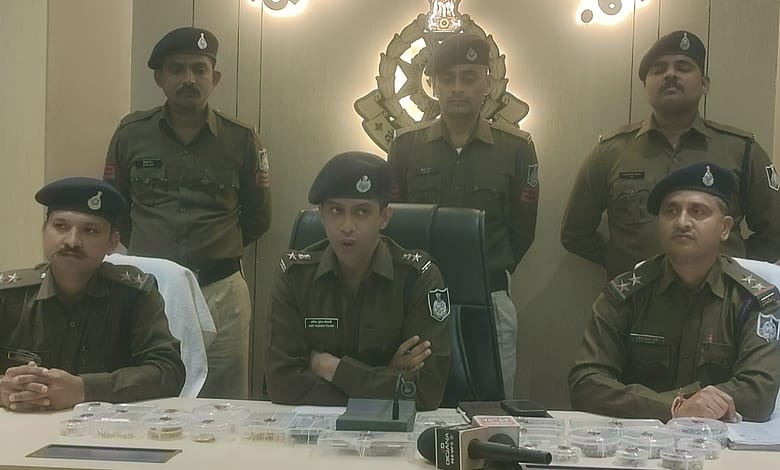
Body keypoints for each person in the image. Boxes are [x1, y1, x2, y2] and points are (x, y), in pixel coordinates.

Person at [103, 27, 271, 399]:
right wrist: (159, 260)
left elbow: (258, 216)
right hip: (152, 290)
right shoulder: (131, 134)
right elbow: (114, 209)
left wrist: (214, 248)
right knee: (149, 393)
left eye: (199, 69)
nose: (189, 79)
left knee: (224, 401)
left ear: (215, 77)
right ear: (159, 78)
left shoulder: (241, 138)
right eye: (177, 69)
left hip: (220, 289)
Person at [388, 33, 539, 398]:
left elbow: (522, 231)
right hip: (416, 300)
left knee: (492, 405)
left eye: (469, 78)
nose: (457, 88)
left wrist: (487, 267)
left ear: (487, 82)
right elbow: (391, 225)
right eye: (447, 78)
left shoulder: (516, 148)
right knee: (416, 399)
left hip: (489, 296)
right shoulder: (406, 146)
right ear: (433, 85)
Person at [569, 163, 780, 422]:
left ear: (725, 228)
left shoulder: (753, 299)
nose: (682, 222)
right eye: (670, 211)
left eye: (698, 211)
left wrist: (688, 404)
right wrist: (673, 406)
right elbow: (586, 382)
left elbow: (759, 393)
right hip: (640, 441)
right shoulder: (626, 295)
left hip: (722, 441)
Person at [561, 30, 780, 279]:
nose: (670, 75)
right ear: (645, 86)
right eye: (659, 69)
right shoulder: (611, 152)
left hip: (720, 300)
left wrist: (734, 270)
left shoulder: (740, 150)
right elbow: (575, 233)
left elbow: (775, 233)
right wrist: (622, 266)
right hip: (637, 299)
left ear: (705, 84)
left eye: (683, 67)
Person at [264, 152, 451, 411]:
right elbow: (282, 385)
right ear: (321, 215)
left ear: (384, 217)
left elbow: (427, 391)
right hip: (315, 427)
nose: (347, 226)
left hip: (395, 428)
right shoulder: (295, 275)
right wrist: (388, 378)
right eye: (335, 211)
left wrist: (331, 368)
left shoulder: (418, 277)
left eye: (362, 212)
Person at [0, 177, 185, 412]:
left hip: (107, 428)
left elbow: (168, 371)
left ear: (112, 243)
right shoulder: (9, 296)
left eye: (90, 230)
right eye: (60, 226)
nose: (72, 241)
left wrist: (84, 389)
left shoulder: (134, 296)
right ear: (44, 231)